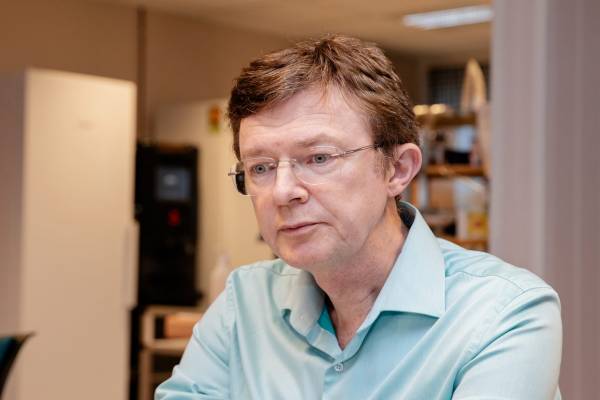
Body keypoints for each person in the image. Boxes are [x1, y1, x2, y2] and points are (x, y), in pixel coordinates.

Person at [155, 35, 562, 399]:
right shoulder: (244, 303)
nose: (282, 191)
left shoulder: (503, 314)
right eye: (261, 167)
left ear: (397, 169)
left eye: (318, 158)